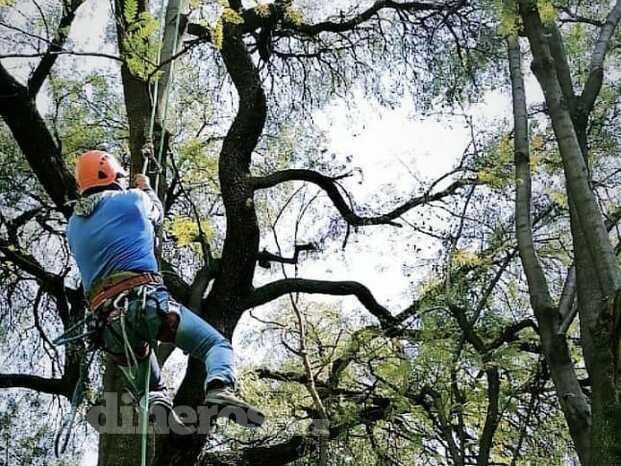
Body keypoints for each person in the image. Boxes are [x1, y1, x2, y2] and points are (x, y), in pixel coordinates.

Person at [66, 150, 264, 432]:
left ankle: (155, 400)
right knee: (215, 346)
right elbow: (157, 215)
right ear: (113, 175)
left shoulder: (72, 227)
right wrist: (145, 187)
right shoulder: (133, 199)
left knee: (150, 388)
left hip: (109, 326)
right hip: (146, 302)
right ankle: (220, 388)